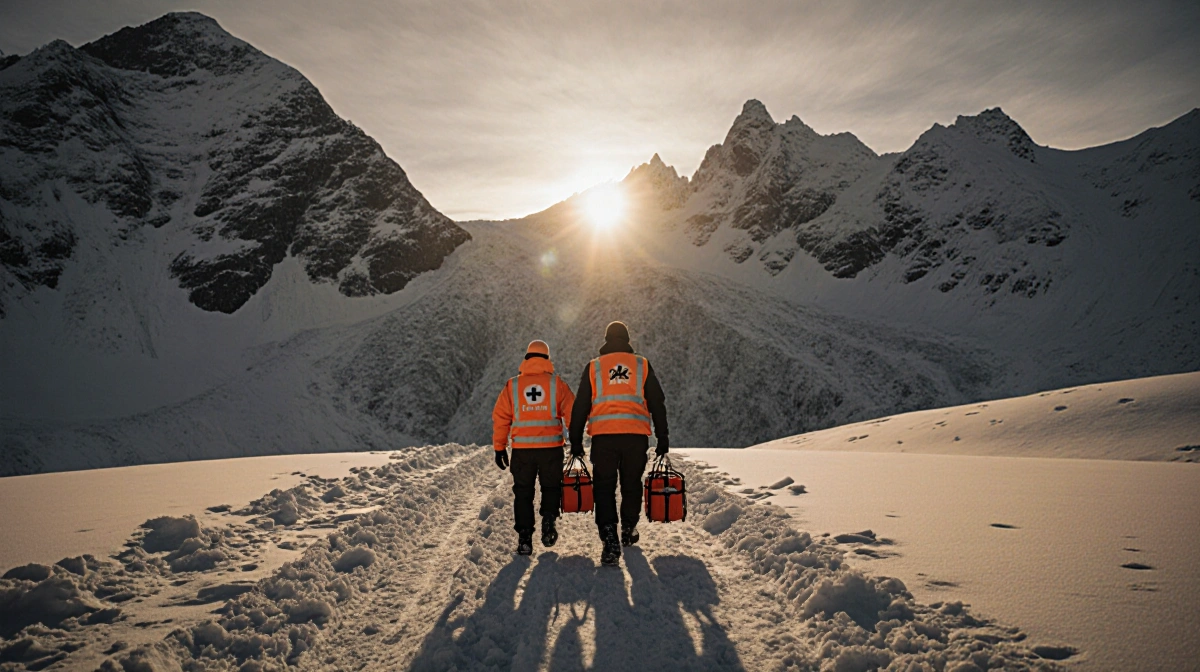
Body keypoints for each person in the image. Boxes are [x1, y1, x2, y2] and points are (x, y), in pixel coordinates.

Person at [569, 321, 669, 566]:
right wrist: (663, 437)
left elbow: (581, 406)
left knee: (604, 488)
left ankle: (609, 538)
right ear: (627, 340)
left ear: (606, 340)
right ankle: (628, 528)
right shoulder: (641, 365)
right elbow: (657, 402)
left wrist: (575, 440)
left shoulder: (594, 367)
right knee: (631, 485)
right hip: (635, 437)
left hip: (603, 438)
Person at [492, 340, 575, 555]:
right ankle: (548, 522)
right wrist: (576, 442)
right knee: (551, 487)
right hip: (551, 448)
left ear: (527, 358)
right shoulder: (557, 384)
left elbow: (501, 417)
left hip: (522, 450)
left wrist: (499, 447)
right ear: (547, 359)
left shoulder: (513, 386)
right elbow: (573, 413)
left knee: (523, 493)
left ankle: (525, 538)